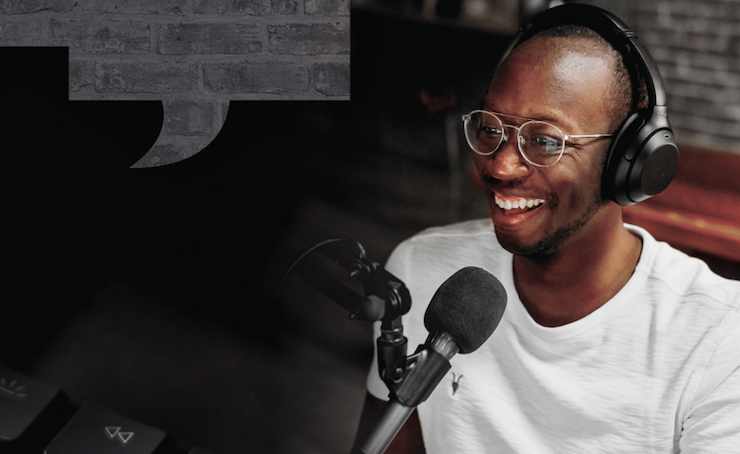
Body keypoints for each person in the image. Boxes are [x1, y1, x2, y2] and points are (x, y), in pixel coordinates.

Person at [351, 4, 740, 454]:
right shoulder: (420, 268)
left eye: (545, 140)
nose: (500, 166)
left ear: (628, 161)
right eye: (491, 128)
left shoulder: (719, 339)